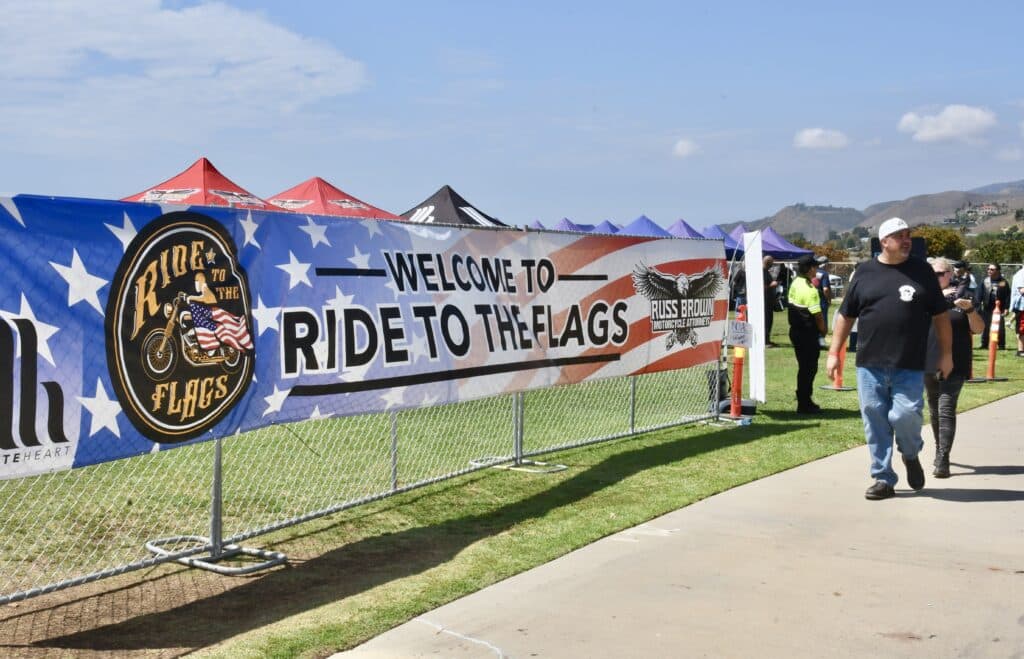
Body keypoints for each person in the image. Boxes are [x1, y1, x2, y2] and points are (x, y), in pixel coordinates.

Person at [826, 218, 951, 500]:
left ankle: (910, 453)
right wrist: (834, 353)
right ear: (884, 241)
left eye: (908, 235)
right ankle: (883, 478)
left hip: (909, 364)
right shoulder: (865, 272)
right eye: (899, 236)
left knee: (904, 415)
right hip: (869, 364)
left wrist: (946, 354)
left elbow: (940, 316)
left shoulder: (922, 272)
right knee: (876, 421)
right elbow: (846, 315)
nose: (906, 240)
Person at [924, 257, 984, 478]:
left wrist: (969, 311)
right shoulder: (925, 297)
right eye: (933, 274)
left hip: (956, 361)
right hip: (928, 360)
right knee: (933, 409)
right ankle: (941, 450)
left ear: (950, 274)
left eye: (940, 274)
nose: (936, 278)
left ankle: (943, 459)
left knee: (946, 407)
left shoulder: (965, 296)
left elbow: (978, 329)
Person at [787, 254, 826, 413]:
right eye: (815, 266)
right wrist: (824, 330)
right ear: (810, 269)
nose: (817, 269)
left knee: (804, 368)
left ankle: (804, 399)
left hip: (796, 331)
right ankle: (804, 402)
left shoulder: (796, 282)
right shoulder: (811, 290)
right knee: (809, 369)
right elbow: (817, 316)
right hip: (807, 334)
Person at [973, 263, 1011, 349]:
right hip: (987, 308)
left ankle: (1001, 345)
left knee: (999, 327)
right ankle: (984, 344)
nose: (989, 271)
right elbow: (979, 294)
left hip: (999, 309)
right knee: (985, 327)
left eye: (992, 269)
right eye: (988, 269)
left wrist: (1006, 308)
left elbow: (1007, 296)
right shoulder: (985, 281)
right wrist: (978, 306)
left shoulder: (1003, 282)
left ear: (998, 271)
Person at [814, 256, 832, 335]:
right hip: (822, 300)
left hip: (812, 299)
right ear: (825, 264)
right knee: (823, 319)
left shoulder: (812, 272)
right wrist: (828, 299)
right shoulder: (824, 274)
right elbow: (825, 289)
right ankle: (821, 339)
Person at [763, 256, 779, 347]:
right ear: (768, 263)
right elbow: (761, 287)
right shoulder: (761, 272)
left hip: (768, 301)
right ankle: (765, 341)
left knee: (769, 321)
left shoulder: (766, 272)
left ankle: (767, 339)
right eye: (771, 263)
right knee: (766, 321)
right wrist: (772, 285)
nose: (772, 265)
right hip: (764, 302)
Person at [1009, 266, 1024, 357]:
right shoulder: (1021, 274)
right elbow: (1022, 290)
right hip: (1022, 306)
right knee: (1022, 328)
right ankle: (1021, 351)